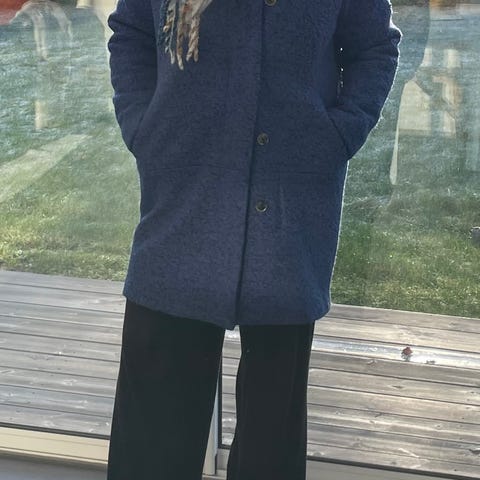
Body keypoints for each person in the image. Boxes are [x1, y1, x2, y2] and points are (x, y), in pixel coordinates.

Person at [106, 1, 401, 479]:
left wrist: (339, 134)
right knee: (151, 437)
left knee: (271, 442)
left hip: (289, 201)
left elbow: (374, 46)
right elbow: (131, 32)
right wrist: (143, 126)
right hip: (182, 195)